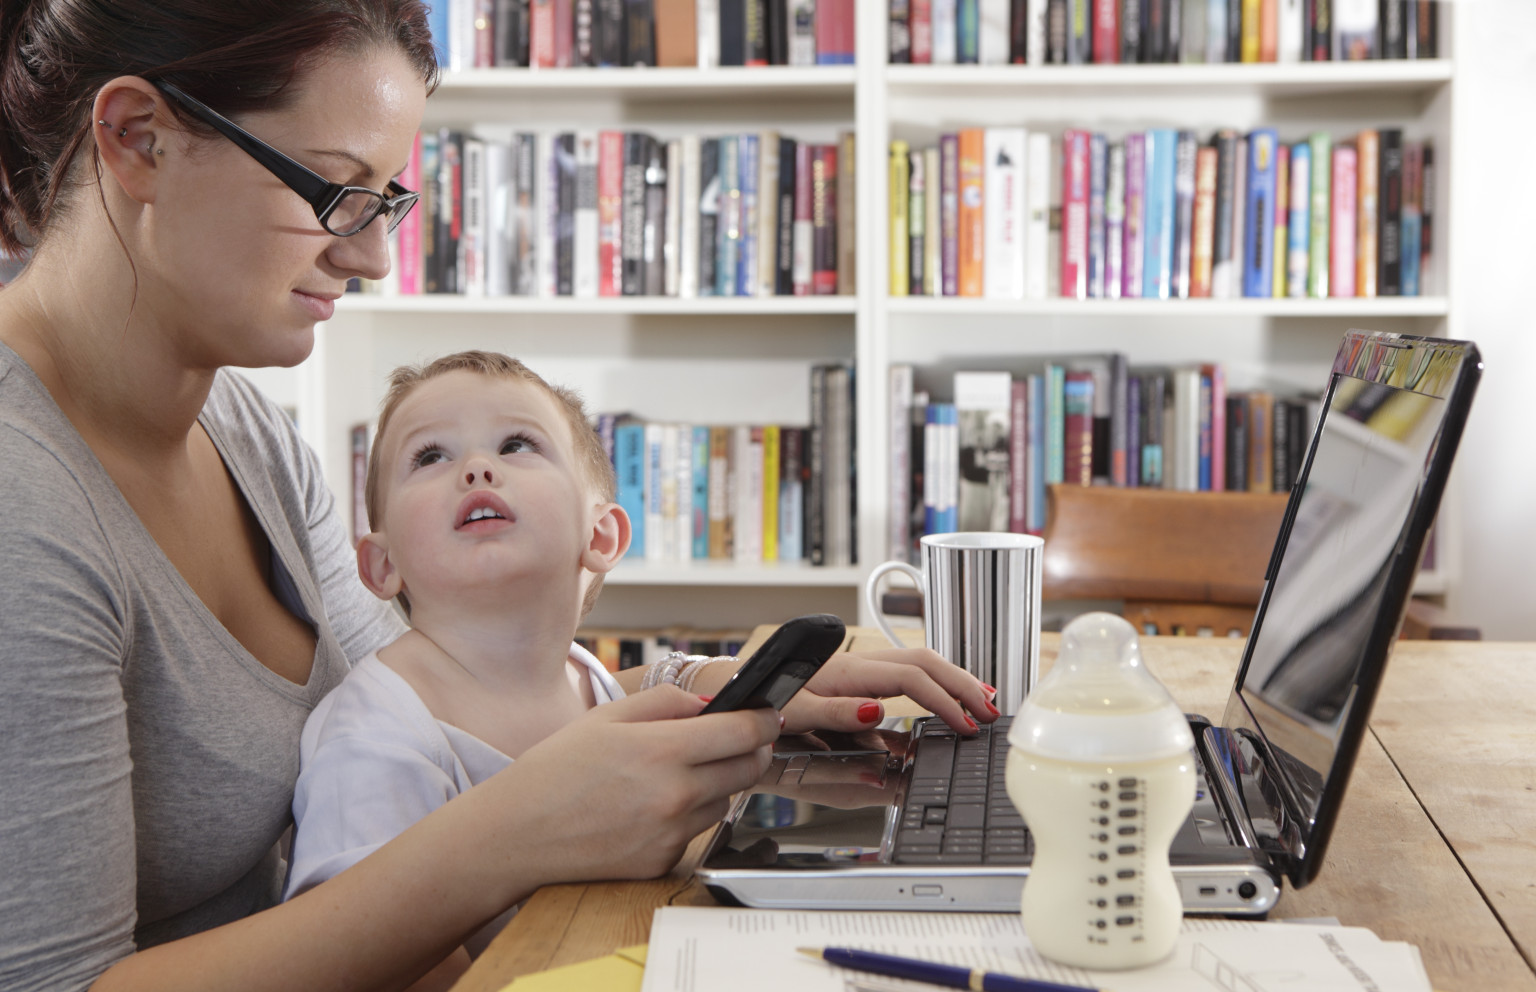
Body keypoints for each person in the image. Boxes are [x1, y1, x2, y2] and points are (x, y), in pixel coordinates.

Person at [0, 3, 998, 989]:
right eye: (335, 191)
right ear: (140, 140)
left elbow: (449, 672)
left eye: (385, 201)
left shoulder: (250, 438)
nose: (371, 255)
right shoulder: (23, 499)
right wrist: (510, 834)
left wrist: (699, 689)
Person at [281, 350, 998, 988]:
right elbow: (361, 959)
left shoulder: (586, 679)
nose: (476, 466)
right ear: (379, 564)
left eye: (516, 444)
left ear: (602, 535)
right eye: (430, 456)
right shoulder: (375, 735)